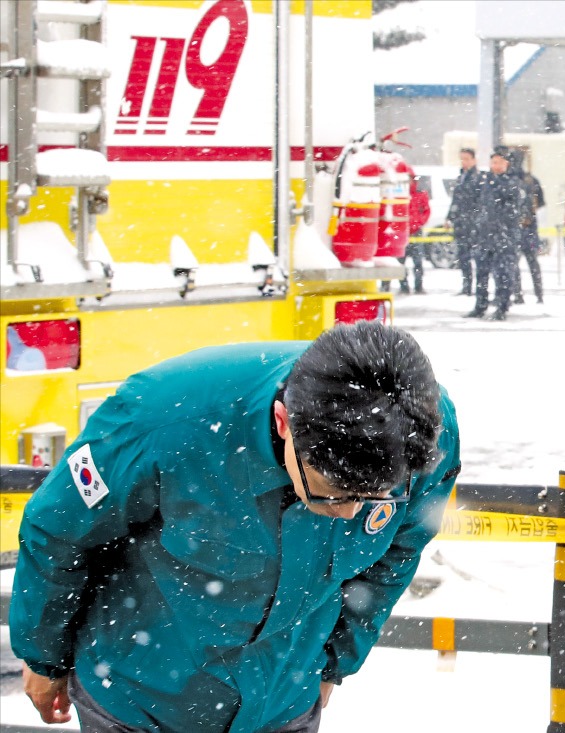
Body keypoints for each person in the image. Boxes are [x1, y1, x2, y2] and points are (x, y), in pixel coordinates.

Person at [12, 321, 461, 733]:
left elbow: (398, 552)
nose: (351, 514)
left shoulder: (420, 428)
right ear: (286, 424)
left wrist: (333, 666)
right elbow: (58, 528)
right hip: (142, 700)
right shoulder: (163, 421)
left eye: (376, 498)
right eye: (334, 493)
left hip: (283, 701)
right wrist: (44, 657)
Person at [465, 145, 526, 322]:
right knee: (482, 274)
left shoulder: (512, 183)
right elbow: (476, 204)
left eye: (498, 162)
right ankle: (480, 305)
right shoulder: (485, 182)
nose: (495, 166)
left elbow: (514, 210)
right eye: (493, 162)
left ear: (506, 164)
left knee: (503, 275)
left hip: (504, 237)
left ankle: (502, 306)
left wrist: (504, 230)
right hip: (485, 236)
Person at [508, 149, 545, 305]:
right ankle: (538, 294)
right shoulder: (531, 180)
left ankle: (518, 294)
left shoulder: (509, 180)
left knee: (513, 263)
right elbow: (541, 203)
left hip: (514, 228)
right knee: (532, 263)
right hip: (529, 228)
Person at [446, 147, 482, 296]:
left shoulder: (477, 178)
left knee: (478, 258)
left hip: (472, 225)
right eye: (462, 159)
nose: (464, 162)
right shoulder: (461, 178)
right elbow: (456, 200)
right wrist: (450, 217)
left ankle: (478, 287)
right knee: (463, 257)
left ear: (473, 160)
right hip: (461, 224)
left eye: (466, 159)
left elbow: (479, 202)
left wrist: (476, 219)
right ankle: (466, 285)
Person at [397, 172, 431, 294]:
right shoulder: (399, 193)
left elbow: (426, 211)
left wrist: (418, 223)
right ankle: (404, 286)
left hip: (416, 232)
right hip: (401, 232)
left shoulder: (420, 194)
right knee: (401, 261)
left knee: (418, 261)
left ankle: (418, 286)